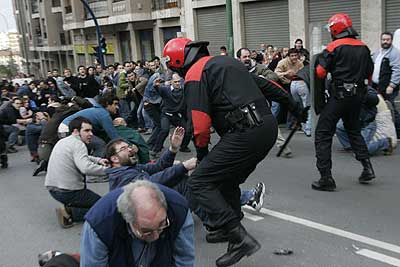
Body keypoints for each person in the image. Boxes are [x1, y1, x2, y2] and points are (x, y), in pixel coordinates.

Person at [162, 37, 306, 267]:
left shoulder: (196, 73)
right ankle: (230, 229)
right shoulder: (227, 62)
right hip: (265, 128)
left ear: (177, 62)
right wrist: (294, 107)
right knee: (225, 180)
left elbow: (199, 122)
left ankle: (238, 238)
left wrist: (201, 155)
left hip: (244, 131)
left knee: (199, 181)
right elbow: (268, 85)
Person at [313, 13, 375, 191]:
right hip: (358, 96)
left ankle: (326, 178)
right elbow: (370, 74)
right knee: (354, 130)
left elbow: (320, 73)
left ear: (334, 29)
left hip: (339, 95)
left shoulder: (334, 46)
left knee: (323, 134)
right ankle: (367, 167)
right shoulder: (364, 47)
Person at [80, 180, 195, 267]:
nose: (156, 236)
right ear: (127, 219)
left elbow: (184, 259)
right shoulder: (99, 225)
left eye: (162, 225)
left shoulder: (179, 210)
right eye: (146, 231)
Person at [44, 117, 108, 228]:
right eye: (87, 131)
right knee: (105, 207)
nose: (91, 134)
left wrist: (98, 160)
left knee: (94, 204)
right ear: (76, 131)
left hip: (53, 189)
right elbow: (85, 168)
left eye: (91, 130)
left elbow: (81, 157)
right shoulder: (79, 144)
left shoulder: (64, 141)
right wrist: (109, 171)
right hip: (68, 192)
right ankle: (70, 213)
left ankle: (70, 208)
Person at [152, 73, 192, 154]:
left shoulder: (184, 90)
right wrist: (155, 85)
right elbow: (157, 87)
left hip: (177, 115)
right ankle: (155, 150)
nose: (177, 83)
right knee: (165, 130)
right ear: (171, 82)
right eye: (175, 82)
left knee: (188, 131)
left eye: (178, 81)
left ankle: (183, 147)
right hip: (166, 114)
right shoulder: (165, 90)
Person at [371, 31, 400, 138]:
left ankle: (398, 131)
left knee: (390, 108)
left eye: (387, 40)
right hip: (377, 86)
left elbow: (397, 70)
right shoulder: (378, 52)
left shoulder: (394, 53)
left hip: (388, 87)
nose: (385, 42)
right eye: (383, 39)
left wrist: (392, 85)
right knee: (381, 109)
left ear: (391, 40)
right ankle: (384, 131)